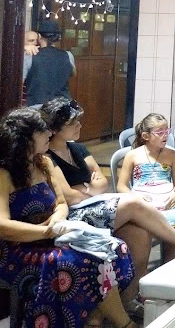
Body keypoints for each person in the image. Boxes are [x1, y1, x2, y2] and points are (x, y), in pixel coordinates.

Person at [40, 98, 175, 303]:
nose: (79, 125)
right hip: (72, 215)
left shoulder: (78, 150)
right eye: (73, 123)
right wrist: (90, 189)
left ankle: (133, 298)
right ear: (56, 128)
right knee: (134, 202)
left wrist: (84, 189)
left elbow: (102, 183)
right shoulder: (47, 157)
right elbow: (67, 196)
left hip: (93, 206)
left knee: (140, 234)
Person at [0, 108, 137, 328]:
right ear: (26, 138)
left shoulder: (44, 163)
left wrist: (57, 219)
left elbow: (62, 203)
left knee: (112, 247)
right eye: (43, 131)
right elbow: (3, 226)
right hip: (17, 248)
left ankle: (95, 319)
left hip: (52, 238)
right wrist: (45, 231)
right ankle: (122, 323)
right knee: (80, 262)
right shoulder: (3, 173)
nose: (48, 135)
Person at [117, 114, 175, 262]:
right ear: (146, 135)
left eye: (167, 131)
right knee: (140, 231)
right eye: (159, 132)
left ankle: (168, 263)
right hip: (143, 202)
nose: (165, 135)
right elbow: (121, 186)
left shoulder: (172, 155)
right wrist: (135, 197)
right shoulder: (132, 155)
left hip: (165, 200)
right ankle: (141, 269)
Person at [24, 19, 75, 107]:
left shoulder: (30, 56)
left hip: (37, 106)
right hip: (63, 106)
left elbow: (18, 82)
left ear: (39, 36)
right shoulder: (68, 55)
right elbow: (73, 73)